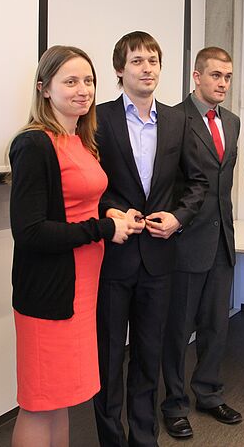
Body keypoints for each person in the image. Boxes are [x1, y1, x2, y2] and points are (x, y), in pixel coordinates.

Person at [8, 45, 133, 447]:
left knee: (61, 398)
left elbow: (81, 206)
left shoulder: (79, 140)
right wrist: (103, 229)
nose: (83, 90)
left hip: (80, 290)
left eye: (89, 81)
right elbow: (30, 232)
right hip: (49, 293)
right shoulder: (34, 144)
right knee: (39, 401)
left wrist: (111, 215)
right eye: (71, 81)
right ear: (44, 88)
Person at [93, 31, 208, 447]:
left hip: (160, 257)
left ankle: (144, 438)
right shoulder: (98, 118)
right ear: (119, 69)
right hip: (114, 255)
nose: (147, 69)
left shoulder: (177, 120)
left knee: (148, 356)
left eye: (153, 61)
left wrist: (178, 218)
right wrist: (111, 211)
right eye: (137, 61)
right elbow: (90, 184)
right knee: (109, 360)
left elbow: (198, 182)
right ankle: (111, 439)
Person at [160, 47, 242, 439]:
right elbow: (165, 180)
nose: (222, 83)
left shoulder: (233, 122)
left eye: (227, 77)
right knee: (178, 330)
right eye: (215, 75)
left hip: (222, 240)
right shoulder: (175, 119)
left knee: (215, 326)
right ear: (196, 76)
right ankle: (174, 405)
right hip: (186, 241)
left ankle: (208, 394)